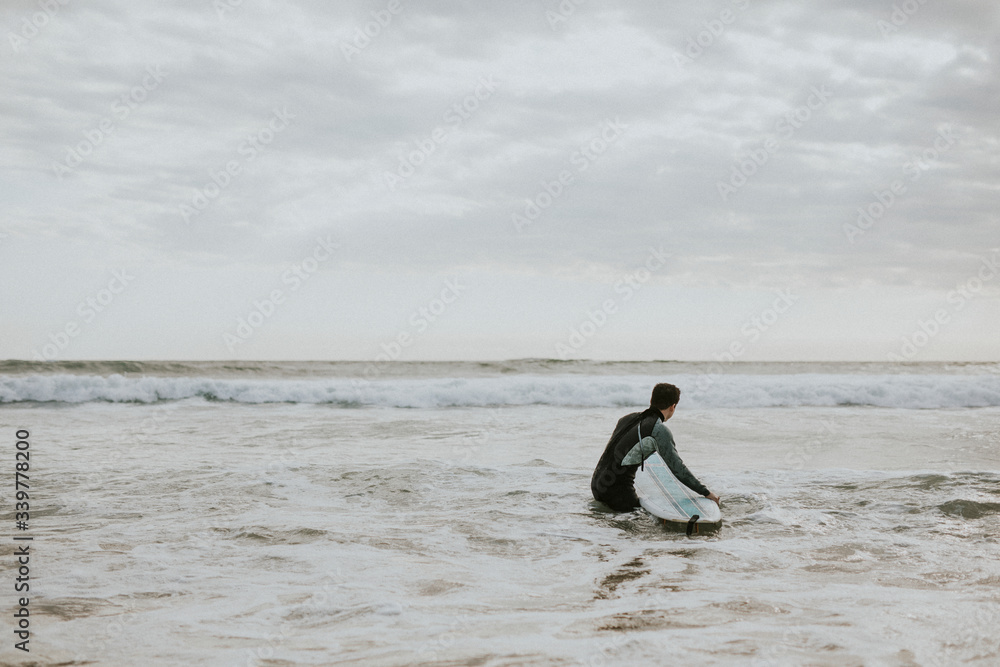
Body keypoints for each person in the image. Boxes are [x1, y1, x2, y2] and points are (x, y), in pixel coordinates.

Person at [591, 382, 719, 512]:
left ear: (651, 400)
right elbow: (678, 469)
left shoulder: (626, 419)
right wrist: (706, 493)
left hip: (597, 484)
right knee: (638, 525)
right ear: (673, 407)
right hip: (617, 492)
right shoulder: (658, 430)